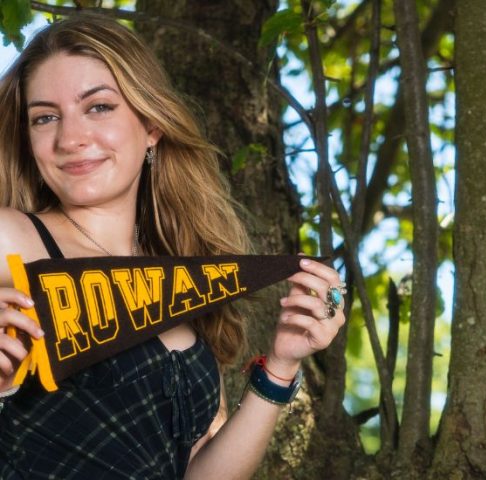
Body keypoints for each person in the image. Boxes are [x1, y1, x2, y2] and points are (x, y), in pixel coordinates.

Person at [0, 13, 345, 479]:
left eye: (98, 107)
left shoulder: (188, 285)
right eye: (45, 117)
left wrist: (281, 368)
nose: (70, 138)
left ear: (151, 126)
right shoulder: (12, 239)